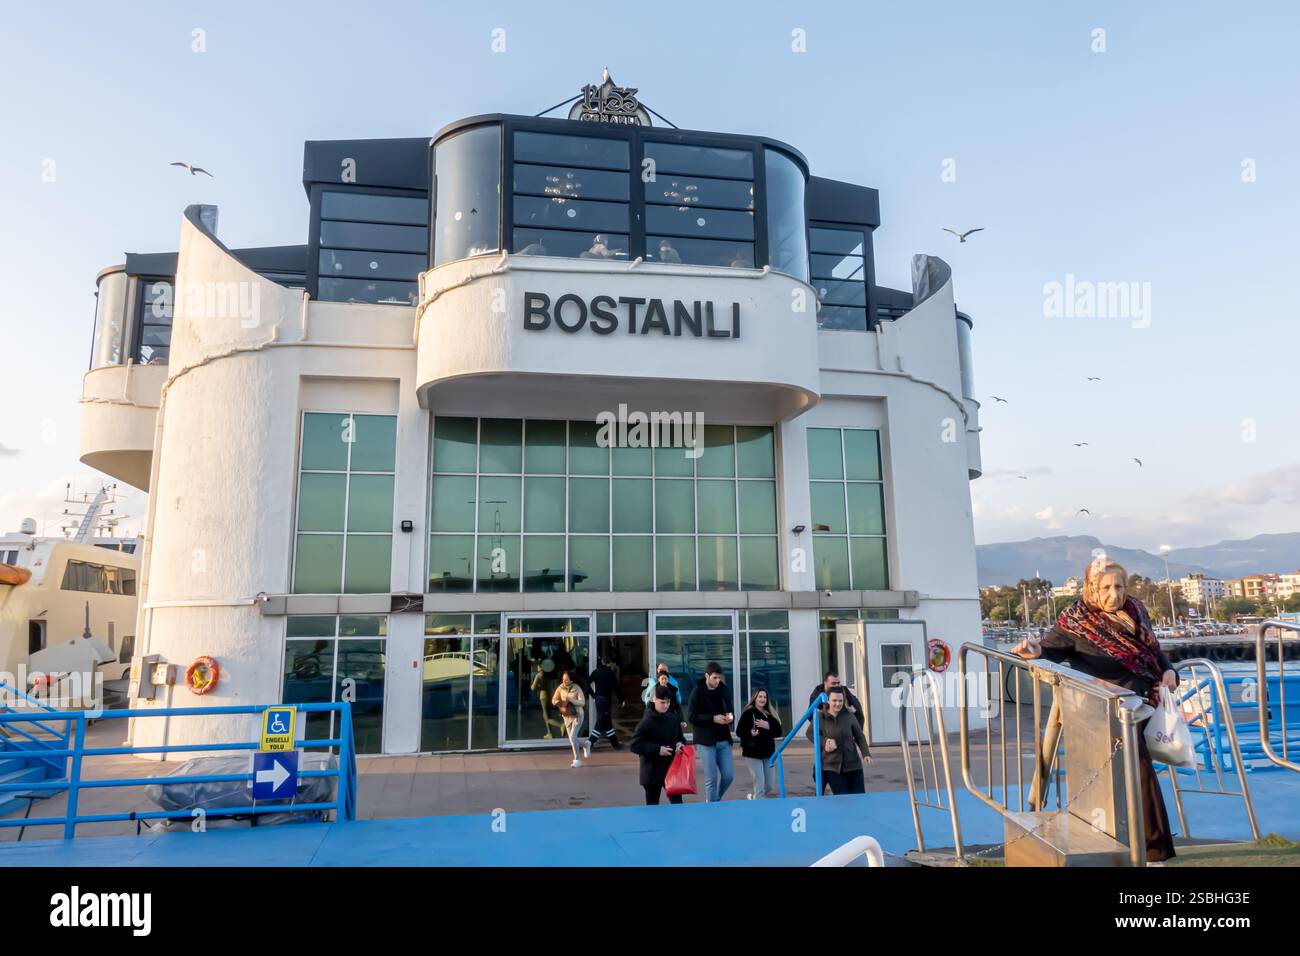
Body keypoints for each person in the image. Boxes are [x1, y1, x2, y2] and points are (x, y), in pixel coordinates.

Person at [1013, 558, 1178, 863]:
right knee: (1136, 773)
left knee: (1136, 774)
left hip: (1143, 704)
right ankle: (1152, 851)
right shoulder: (1075, 620)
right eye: (1105, 587)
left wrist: (1170, 672)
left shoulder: (1136, 611)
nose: (1113, 593)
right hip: (1101, 711)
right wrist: (1033, 651)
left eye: (1119, 586)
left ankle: (1148, 849)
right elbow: (1048, 650)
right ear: (1091, 587)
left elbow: (1154, 653)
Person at [631, 684, 688, 805]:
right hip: (652, 771)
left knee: (678, 804)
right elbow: (635, 745)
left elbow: (681, 739)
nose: (666, 705)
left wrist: (680, 745)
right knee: (652, 807)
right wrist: (657, 749)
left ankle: (677, 824)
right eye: (662, 702)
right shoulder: (646, 721)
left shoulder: (673, 719)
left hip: (671, 769)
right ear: (653, 700)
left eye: (668, 702)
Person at [688, 662, 734, 802]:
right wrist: (713, 719)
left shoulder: (724, 689)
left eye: (719, 678)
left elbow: (730, 710)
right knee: (711, 778)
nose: (717, 681)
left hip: (723, 739)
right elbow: (692, 717)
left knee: (728, 776)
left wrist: (730, 718)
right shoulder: (697, 692)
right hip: (705, 741)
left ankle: (716, 799)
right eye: (714, 678)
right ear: (707, 676)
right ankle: (711, 807)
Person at [815, 686, 872, 795]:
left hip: (854, 766)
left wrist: (866, 754)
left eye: (840, 701)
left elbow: (859, 736)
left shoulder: (849, 716)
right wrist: (824, 741)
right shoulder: (820, 717)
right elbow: (810, 733)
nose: (837, 703)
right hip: (832, 767)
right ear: (828, 700)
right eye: (834, 700)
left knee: (859, 799)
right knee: (843, 799)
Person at [736, 689, 783, 799]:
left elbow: (779, 732)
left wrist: (767, 725)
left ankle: (754, 797)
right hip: (752, 753)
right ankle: (759, 805)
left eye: (764, 697)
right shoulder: (748, 713)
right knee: (760, 785)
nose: (762, 699)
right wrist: (750, 733)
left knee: (769, 786)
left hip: (768, 753)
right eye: (760, 697)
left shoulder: (770, 714)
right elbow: (739, 731)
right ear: (755, 698)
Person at [585, 656, 624, 754]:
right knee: (601, 722)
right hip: (606, 700)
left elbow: (586, 683)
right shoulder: (610, 672)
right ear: (609, 663)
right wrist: (621, 700)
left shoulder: (596, 672)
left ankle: (615, 744)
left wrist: (592, 694)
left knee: (606, 722)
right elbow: (616, 687)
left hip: (598, 700)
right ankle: (590, 742)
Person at [551, 669, 586, 768]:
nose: (564, 681)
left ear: (571, 680)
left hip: (577, 715)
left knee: (573, 737)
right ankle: (585, 745)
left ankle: (577, 760)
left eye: (566, 680)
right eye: (563, 679)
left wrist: (571, 700)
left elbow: (582, 703)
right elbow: (553, 699)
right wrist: (557, 702)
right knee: (572, 739)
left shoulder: (577, 688)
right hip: (566, 716)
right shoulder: (560, 688)